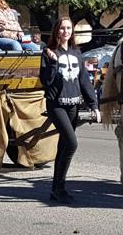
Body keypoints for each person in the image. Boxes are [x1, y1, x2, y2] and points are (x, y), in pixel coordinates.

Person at [40, 17, 100, 204]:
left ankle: (58, 188)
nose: (65, 31)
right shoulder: (49, 52)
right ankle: (59, 187)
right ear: (56, 31)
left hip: (73, 104)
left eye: (68, 28)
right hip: (56, 104)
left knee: (64, 146)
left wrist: (94, 105)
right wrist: (51, 63)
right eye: (62, 28)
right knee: (72, 143)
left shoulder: (77, 53)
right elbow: (46, 82)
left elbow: (83, 81)